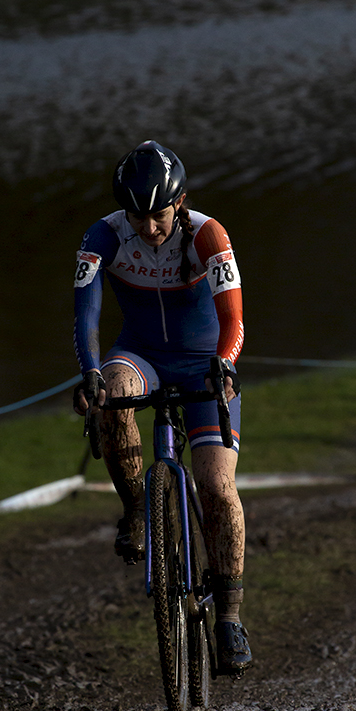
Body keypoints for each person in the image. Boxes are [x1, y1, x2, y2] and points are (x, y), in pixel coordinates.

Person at [72, 140, 251, 676]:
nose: (149, 227)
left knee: (218, 488)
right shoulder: (102, 236)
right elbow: (86, 313)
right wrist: (89, 368)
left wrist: (224, 363)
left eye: (159, 213)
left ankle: (229, 618)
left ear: (181, 202)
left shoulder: (208, 235)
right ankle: (134, 510)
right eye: (138, 215)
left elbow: (234, 318)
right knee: (110, 392)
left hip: (203, 361)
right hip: (141, 354)